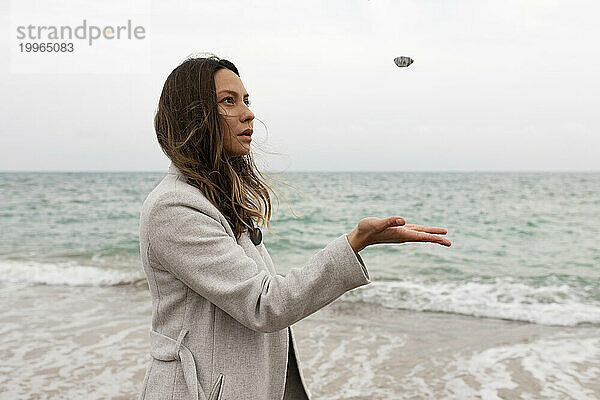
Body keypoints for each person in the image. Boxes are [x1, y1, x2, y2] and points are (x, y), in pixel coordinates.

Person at [137, 55, 451, 400]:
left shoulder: (217, 198)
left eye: (246, 100)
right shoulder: (175, 207)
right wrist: (354, 242)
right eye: (229, 101)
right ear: (193, 115)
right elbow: (264, 304)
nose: (248, 113)